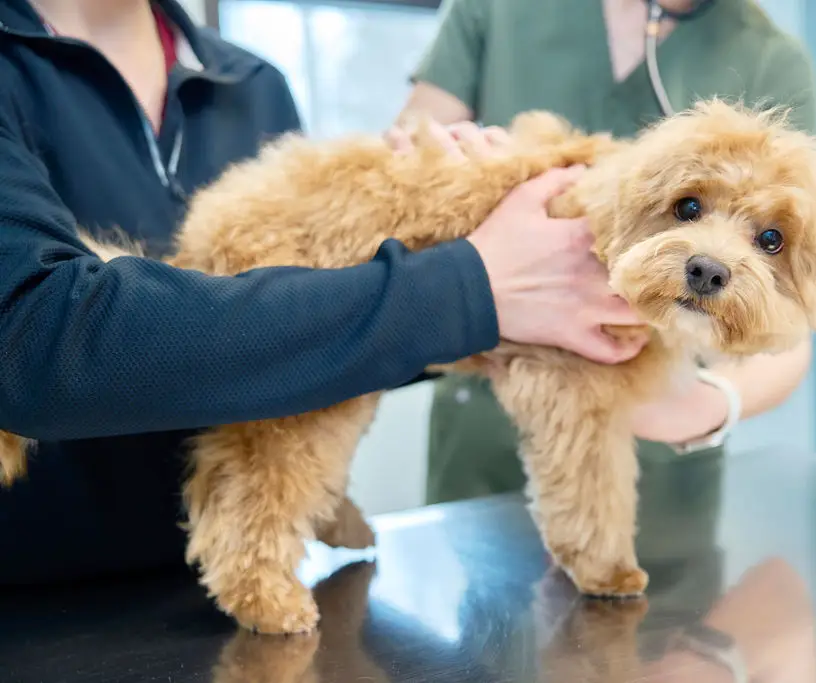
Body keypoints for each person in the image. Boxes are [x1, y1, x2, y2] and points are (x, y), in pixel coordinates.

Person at [0, 0, 645, 583]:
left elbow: (311, 337)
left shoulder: (252, 84)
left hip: (230, 594)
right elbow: (35, 341)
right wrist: (465, 285)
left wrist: (481, 270)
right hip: (37, 604)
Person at [399, 0, 816, 504]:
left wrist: (695, 407)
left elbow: (793, 319)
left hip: (654, 482)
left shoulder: (770, 60)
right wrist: (439, 160)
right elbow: (400, 176)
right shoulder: (496, 9)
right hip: (484, 444)